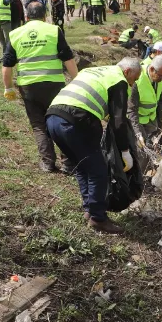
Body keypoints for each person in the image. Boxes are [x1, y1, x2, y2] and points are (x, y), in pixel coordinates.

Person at [46, 58, 141, 234]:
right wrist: (125, 151)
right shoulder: (118, 80)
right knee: (98, 170)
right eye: (133, 80)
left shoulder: (92, 71)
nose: (131, 84)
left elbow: (91, 100)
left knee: (82, 167)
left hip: (53, 118)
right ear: (127, 71)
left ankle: (89, 210)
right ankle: (98, 218)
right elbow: (119, 121)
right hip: (76, 120)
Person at [3, 1, 79, 173]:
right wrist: (77, 81)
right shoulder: (54, 31)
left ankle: (47, 163)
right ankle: (67, 163)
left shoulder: (15, 34)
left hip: (28, 87)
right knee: (60, 121)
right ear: (45, 16)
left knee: (38, 125)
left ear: (26, 16)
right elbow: (68, 58)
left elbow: (7, 66)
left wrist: (8, 87)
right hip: (54, 85)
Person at [128, 54, 162, 144]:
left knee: (153, 143)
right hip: (136, 121)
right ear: (152, 69)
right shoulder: (137, 79)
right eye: (161, 76)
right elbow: (131, 110)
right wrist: (138, 133)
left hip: (151, 120)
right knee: (141, 146)